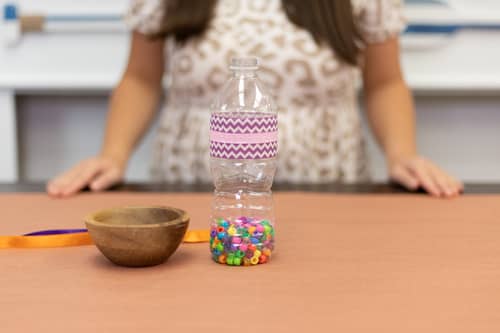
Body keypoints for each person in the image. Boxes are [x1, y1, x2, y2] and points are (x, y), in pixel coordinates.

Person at [47, 0, 463, 197]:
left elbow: (384, 83)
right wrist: (113, 155)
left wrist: (402, 153)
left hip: (328, 191)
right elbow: (140, 78)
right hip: (194, 193)